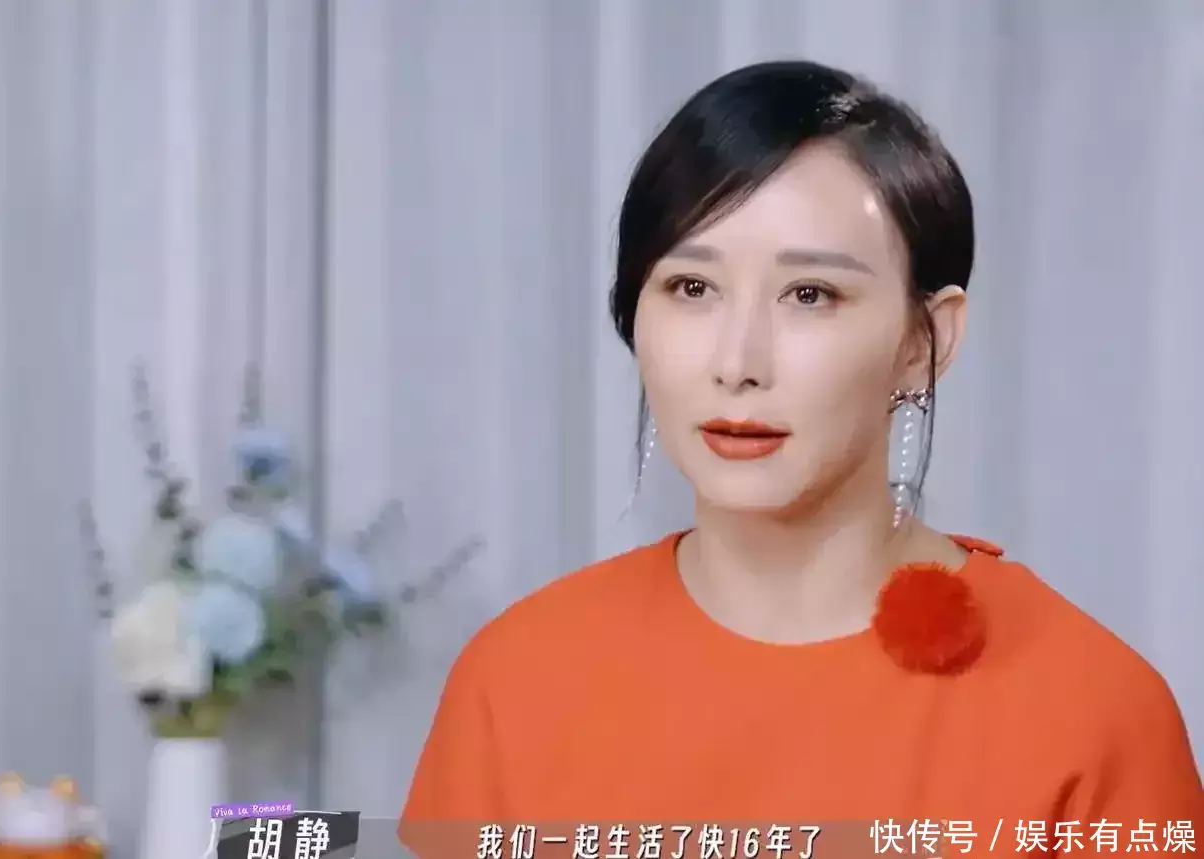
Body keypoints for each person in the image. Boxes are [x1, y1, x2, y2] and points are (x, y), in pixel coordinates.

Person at [400, 60, 1202, 856]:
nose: (737, 362)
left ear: (926, 338)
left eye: (810, 294)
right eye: (691, 288)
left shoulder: (1089, 710)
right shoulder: (519, 677)